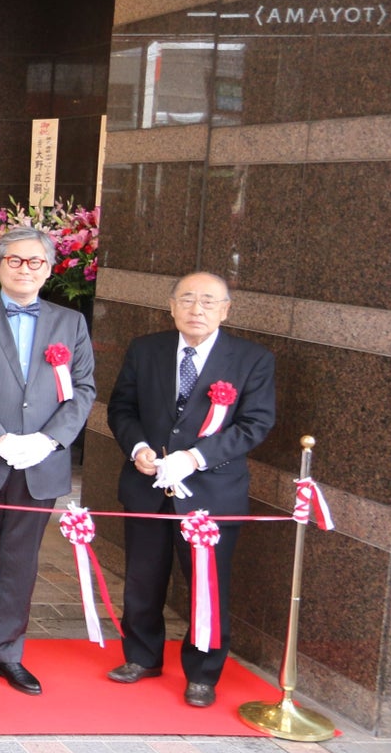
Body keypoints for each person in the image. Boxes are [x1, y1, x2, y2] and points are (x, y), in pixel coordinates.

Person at [106, 271, 275, 707]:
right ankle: (142, 657)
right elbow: (122, 407)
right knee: (142, 580)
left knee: (207, 584)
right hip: (147, 487)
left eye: (207, 301)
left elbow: (255, 424)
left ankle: (203, 673)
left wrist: (194, 457)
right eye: (187, 299)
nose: (196, 309)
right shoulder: (146, 350)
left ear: (225, 310)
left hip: (210, 492)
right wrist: (138, 446)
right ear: (171, 305)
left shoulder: (251, 359)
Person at [0, 226, 95, 696]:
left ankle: (8, 651)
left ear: (49, 269)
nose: (25, 269)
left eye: (35, 262)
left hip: (41, 464)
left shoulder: (71, 323)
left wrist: (49, 441)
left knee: (21, 562)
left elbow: (83, 389)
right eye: (15, 261)